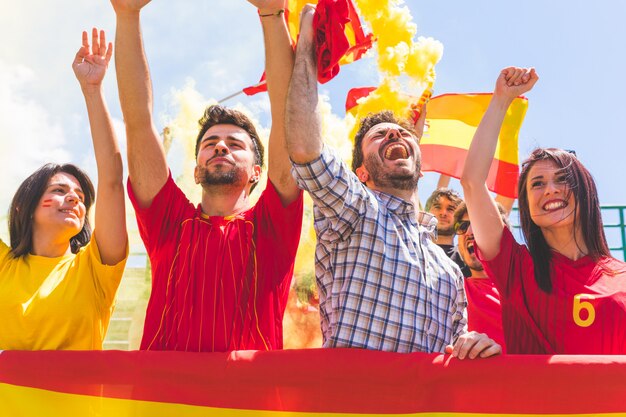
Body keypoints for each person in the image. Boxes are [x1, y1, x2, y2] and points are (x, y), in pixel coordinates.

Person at [285, 6, 500, 359]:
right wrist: (308, 43)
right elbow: (305, 149)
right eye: (379, 136)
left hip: (423, 413)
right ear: (362, 173)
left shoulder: (448, 267)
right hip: (349, 407)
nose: (394, 135)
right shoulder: (353, 209)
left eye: (402, 133)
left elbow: (455, 353)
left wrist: (477, 346)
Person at [112, 0, 303, 351]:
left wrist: (272, 15)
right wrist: (127, 15)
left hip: (248, 405)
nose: (220, 148)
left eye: (235, 144)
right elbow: (138, 120)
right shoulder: (169, 221)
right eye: (211, 143)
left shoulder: (273, 225)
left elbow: (287, 116)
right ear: (197, 170)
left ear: (257, 171)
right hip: (165, 402)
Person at [461, 66, 626, 354]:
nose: (550, 189)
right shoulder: (514, 267)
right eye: (537, 184)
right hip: (533, 401)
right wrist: (501, 101)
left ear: (585, 190)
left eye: (563, 179)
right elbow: (473, 182)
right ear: (526, 206)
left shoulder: (621, 276)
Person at [0, 29, 128, 350]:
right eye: (58, 190)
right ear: (22, 207)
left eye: (81, 197)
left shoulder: (95, 270)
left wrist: (93, 90)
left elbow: (112, 178)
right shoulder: (4, 267)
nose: (73, 198)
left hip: (78, 403)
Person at [453, 202, 508, 350]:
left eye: (480, 223)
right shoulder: (449, 289)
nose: (470, 231)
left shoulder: (529, 288)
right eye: (463, 226)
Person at [424, 188, 469, 276]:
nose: (443, 213)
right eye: (437, 207)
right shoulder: (413, 247)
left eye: (450, 209)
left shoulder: (467, 257)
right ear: (427, 211)